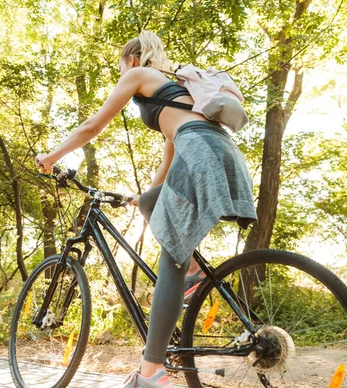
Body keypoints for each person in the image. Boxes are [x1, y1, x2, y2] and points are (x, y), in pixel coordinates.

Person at [36, 31, 257, 388]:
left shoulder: (138, 75)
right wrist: (146, 195)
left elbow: (92, 126)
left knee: (171, 257)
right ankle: (196, 272)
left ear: (132, 60)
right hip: (218, 150)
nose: (122, 73)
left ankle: (152, 371)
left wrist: (51, 158)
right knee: (155, 203)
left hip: (199, 152)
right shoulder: (177, 92)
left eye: (122, 67)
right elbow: (171, 151)